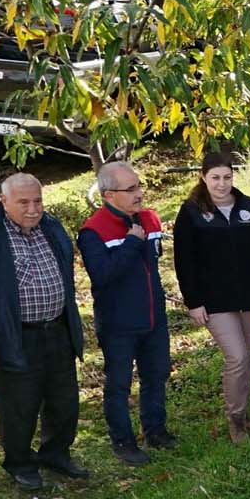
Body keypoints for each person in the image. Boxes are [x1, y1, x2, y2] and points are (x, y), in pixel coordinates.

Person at [0, 173, 86, 491]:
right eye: (23, 202)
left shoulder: (51, 227)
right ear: (4, 201)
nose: (32, 209)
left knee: (63, 400)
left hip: (56, 330)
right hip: (12, 336)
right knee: (17, 406)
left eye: (37, 201)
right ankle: (20, 463)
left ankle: (56, 453)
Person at [174, 149, 250, 443]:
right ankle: (235, 418)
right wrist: (193, 301)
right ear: (203, 177)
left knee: (246, 358)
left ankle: (243, 413)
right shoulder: (191, 212)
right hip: (215, 300)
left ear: (233, 176)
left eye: (226, 177)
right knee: (236, 356)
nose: (221, 183)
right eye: (215, 178)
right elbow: (184, 261)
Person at [78, 161, 174, 466]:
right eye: (130, 189)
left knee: (156, 374)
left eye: (139, 186)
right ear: (109, 195)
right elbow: (102, 275)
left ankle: (155, 430)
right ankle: (123, 440)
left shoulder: (150, 219)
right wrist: (132, 242)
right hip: (118, 321)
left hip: (153, 316)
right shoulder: (93, 230)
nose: (139, 193)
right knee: (119, 383)